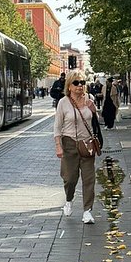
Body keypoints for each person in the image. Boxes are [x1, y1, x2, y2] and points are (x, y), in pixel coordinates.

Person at [54, 72, 100, 224]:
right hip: (69, 144)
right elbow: (57, 126)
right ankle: (69, 200)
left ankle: (87, 211)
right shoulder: (63, 102)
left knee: (89, 179)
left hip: (87, 145)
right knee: (70, 179)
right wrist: (58, 146)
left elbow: (97, 123)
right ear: (69, 86)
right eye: (76, 83)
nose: (80, 85)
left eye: (82, 82)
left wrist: (94, 111)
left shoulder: (89, 99)